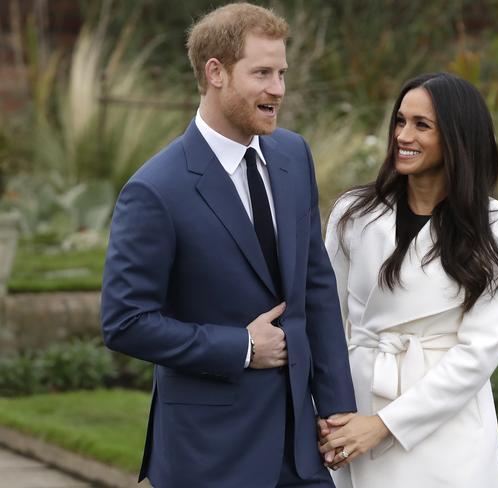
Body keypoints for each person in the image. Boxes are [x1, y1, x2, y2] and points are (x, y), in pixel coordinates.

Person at [100, 3, 356, 487]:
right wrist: (240, 346)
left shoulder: (293, 155)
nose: (277, 89)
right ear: (215, 72)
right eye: (261, 73)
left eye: (281, 72)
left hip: (302, 452)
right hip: (209, 456)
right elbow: (126, 322)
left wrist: (338, 408)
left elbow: (315, 287)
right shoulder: (155, 190)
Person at [320, 72, 498, 487]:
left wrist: (384, 424)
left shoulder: (496, 226)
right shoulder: (352, 214)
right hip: (353, 415)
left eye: (421, 125)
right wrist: (324, 412)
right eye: (399, 121)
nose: (403, 135)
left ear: (457, 137)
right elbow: (323, 319)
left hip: (444, 425)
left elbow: (479, 353)